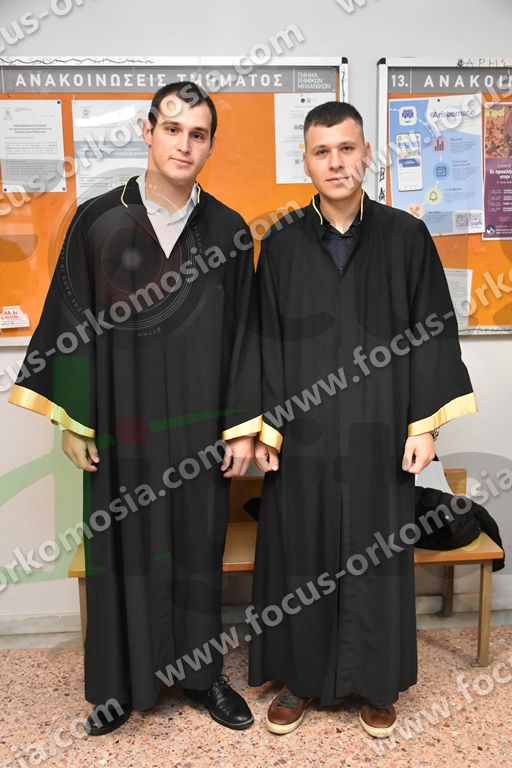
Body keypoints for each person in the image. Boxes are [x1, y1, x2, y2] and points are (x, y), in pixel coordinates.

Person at [9, 82, 261, 735]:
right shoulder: (97, 221)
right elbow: (70, 319)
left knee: (197, 548)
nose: (184, 144)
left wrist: (242, 426)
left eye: (198, 134)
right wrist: (72, 419)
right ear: (148, 132)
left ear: (210, 144)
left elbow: (247, 335)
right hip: (121, 426)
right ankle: (119, 686)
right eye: (172, 129)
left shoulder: (230, 231)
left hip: (200, 428)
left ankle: (203, 678)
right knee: (120, 550)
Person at [249, 101, 478, 738]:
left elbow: (433, 332)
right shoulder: (282, 244)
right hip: (305, 435)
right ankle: (300, 680)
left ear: (367, 154)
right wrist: (267, 430)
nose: (336, 162)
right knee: (302, 553)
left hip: (380, 433)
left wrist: (425, 426)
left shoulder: (406, 238)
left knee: (377, 556)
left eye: (347, 148)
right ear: (305, 161)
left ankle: (376, 684)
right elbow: (264, 341)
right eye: (322, 151)